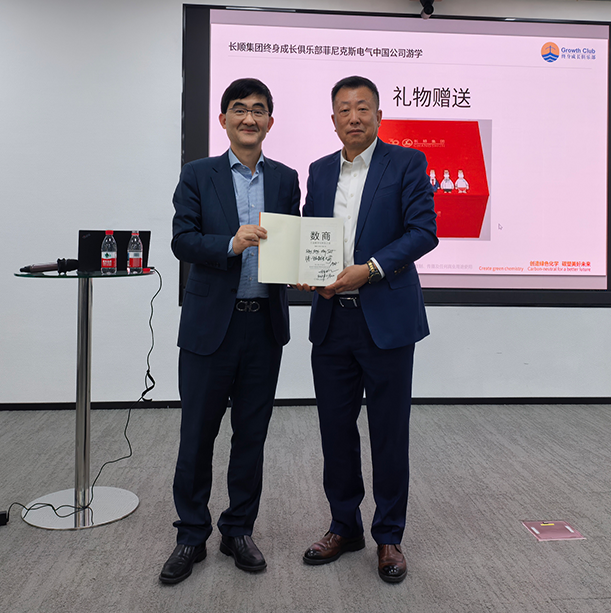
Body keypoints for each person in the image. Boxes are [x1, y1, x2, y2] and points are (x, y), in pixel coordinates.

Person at [161, 78, 301, 585]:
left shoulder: (285, 179)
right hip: (209, 328)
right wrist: (230, 244)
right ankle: (190, 534)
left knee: (251, 436)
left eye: (258, 110)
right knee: (197, 435)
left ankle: (238, 529)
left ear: (270, 122)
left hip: (263, 327)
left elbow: (294, 242)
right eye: (239, 109)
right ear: (223, 120)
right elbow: (182, 240)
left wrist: (306, 265)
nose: (249, 118)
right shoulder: (198, 174)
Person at [298, 75, 438, 584]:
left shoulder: (407, 163)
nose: (353, 117)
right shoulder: (318, 171)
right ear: (332, 119)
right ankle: (344, 526)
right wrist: (305, 270)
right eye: (344, 109)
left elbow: (424, 232)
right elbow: (309, 234)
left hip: (387, 320)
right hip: (332, 319)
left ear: (379, 115)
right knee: (335, 430)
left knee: (388, 431)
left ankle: (389, 535)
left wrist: (372, 269)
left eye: (363, 108)